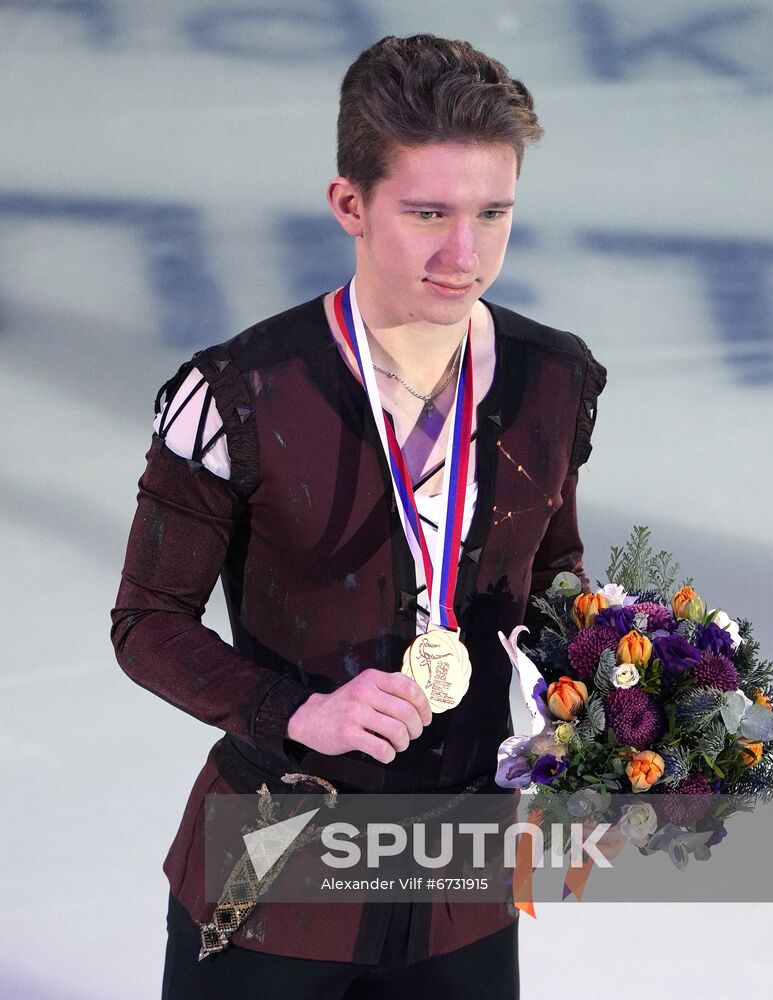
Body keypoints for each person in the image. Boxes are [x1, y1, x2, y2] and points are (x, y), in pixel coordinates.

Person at [111, 32, 606, 1000]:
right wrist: (300, 710)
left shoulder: (556, 377)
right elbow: (148, 622)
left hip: (460, 861)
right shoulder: (238, 391)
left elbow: (550, 573)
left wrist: (616, 688)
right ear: (351, 204)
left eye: (492, 212)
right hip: (276, 844)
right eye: (427, 212)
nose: (465, 253)